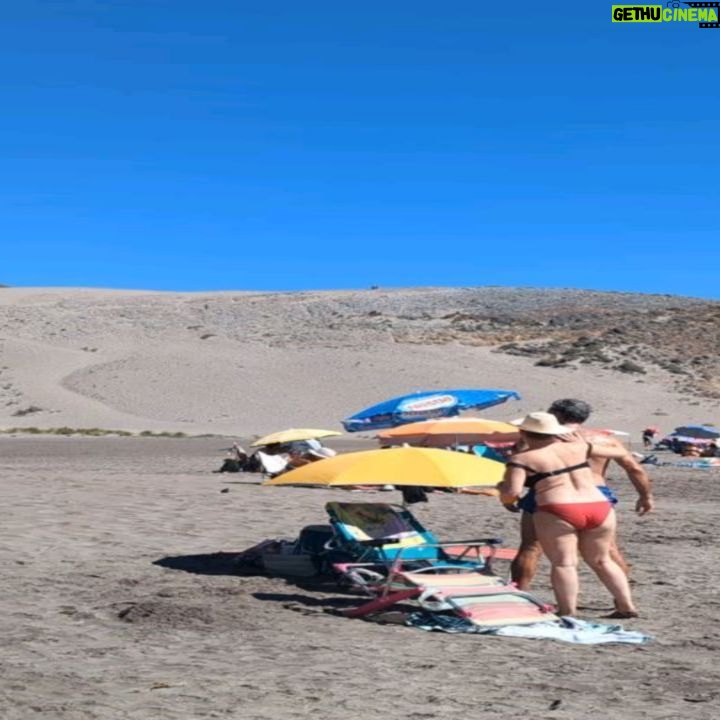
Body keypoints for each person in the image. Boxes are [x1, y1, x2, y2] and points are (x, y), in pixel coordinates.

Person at [498, 412, 638, 618]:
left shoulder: (521, 458)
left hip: (558, 507)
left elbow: (512, 492)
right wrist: (581, 443)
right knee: (603, 560)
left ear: (523, 433)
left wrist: (503, 494)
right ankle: (626, 606)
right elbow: (618, 451)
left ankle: (567, 611)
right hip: (598, 505)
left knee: (564, 563)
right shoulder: (579, 446)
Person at [509, 399, 654, 590]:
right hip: (594, 494)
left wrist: (512, 494)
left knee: (531, 547)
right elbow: (633, 468)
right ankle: (622, 599)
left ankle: (521, 593)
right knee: (607, 551)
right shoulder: (604, 440)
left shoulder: (537, 437)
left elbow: (520, 464)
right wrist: (645, 496)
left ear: (556, 415)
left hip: (551, 492)